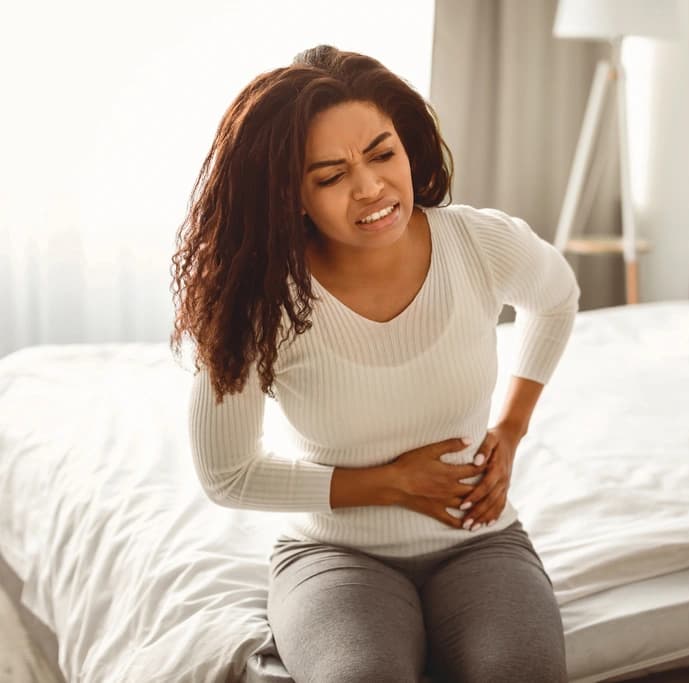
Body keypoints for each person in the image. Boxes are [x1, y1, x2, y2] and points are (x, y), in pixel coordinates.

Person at [170, 44, 578, 683]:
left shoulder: (479, 243)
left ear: (408, 147)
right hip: (334, 555)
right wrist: (390, 483)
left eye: (382, 154)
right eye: (330, 176)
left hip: (482, 540)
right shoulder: (261, 299)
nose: (371, 188)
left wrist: (510, 429)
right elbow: (226, 474)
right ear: (291, 195)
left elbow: (556, 300)